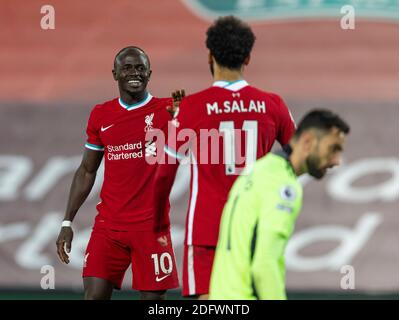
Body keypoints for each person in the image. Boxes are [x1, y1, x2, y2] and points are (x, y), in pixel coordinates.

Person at [153, 16, 296, 299]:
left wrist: (157, 222)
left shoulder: (191, 107)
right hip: (253, 230)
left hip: (207, 231)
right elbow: (298, 156)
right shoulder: (272, 105)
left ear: (210, 56)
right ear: (248, 58)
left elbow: (163, 173)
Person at [55, 46, 180, 300]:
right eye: (127, 68)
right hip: (109, 226)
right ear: (115, 74)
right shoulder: (101, 115)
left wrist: (182, 122)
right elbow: (87, 171)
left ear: (149, 74)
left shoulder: (169, 110)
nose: (135, 73)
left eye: (140, 68)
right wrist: (67, 222)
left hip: (151, 228)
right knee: (93, 297)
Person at [209, 109, 350, 300]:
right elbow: (264, 264)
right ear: (308, 142)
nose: (337, 160)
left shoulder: (258, 169)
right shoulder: (284, 186)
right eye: (333, 148)